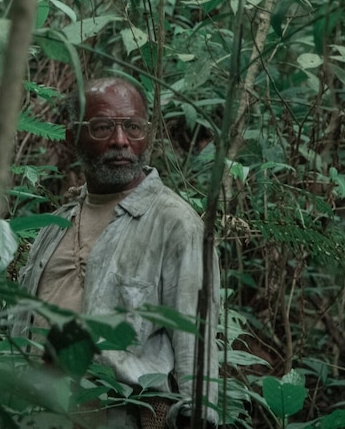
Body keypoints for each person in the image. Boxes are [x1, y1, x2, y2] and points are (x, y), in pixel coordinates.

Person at [13, 77, 220, 428]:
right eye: (103, 127)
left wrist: (198, 416)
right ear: (71, 136)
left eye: (133, 128)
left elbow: (195, 344)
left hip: (121, 413)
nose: (121, 141)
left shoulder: (175, 224)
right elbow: (22, 326)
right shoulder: (55, 226)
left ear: (148, 135)